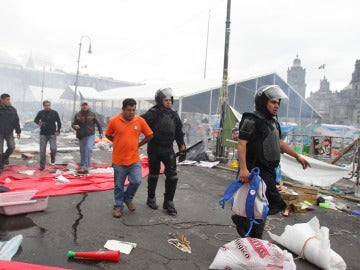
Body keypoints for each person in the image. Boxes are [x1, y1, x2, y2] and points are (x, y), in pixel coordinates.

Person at [233, 85, 311, 239]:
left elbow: (279, 142)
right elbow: (242, 143)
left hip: (268, 169)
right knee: (271, 203)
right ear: (263, 102)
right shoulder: (252, 119)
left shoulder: (273, 122)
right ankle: (243, 224)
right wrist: (243, 169)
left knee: (262, 205)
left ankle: (254, 236)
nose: (276, 106)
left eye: (278, 103)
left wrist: (297, 156)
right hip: (253, 169)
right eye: (273, 102)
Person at [141, 88, 186, 216]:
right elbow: (138, 123)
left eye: (170, 100)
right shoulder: (151, 114)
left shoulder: (174, 115)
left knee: (173, 176)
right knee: (154, 174)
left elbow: (179, 133)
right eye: (166, 100)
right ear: (160, 101)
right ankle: (151, 198)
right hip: (154, 148)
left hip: (168, 149)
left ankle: (169, 202)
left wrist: (182, 145)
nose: (169, 102)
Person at [105, 98, 153, 218]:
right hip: (119, 160)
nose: (131, 112)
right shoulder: (114, 121)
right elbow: (108, 134)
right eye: (129, 110)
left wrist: (139, 144)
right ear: (123, 109)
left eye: (133, 110)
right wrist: (117, 142)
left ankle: (128, 198)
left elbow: (150, 135)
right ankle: (118, 206)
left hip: (134, 159)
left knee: (136, 181)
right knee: (119, 185)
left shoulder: (140, 121)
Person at [72, 100, 103, 175]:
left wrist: (101, 132)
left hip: (90, 134)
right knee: (82, 151)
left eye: (86, 105)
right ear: (81, 106)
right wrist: (74, 126)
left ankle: (86, 166)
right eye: (83, 105)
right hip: (81, 135)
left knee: (88, 149)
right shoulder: (77, 114)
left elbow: (98, 124)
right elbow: (73, 124)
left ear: (88, 106)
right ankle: (82, 165)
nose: (85, 106)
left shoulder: (92, 114)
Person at [34, 100, 62, 170]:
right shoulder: (41, 113)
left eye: (49, 105)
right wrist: (39, 122)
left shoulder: (54, 113)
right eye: (46, 105)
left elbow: (59, 122)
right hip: (43, 134)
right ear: (43, 106)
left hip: (52, 133)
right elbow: (36, 120)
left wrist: (58, 131)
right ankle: (42, 166)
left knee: (53, 148)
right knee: (42, 151)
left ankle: (53, 156)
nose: (47, 107)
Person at [0, 93, 21, 173]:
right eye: (7, 99)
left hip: (9, 132)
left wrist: (18, 131)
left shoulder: (12, 109)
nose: (9, 101)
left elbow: (16, 120)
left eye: (9, 99)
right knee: (0, 150)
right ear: (1, 100)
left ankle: (4, 158)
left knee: (11, 147)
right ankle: (1, 166)